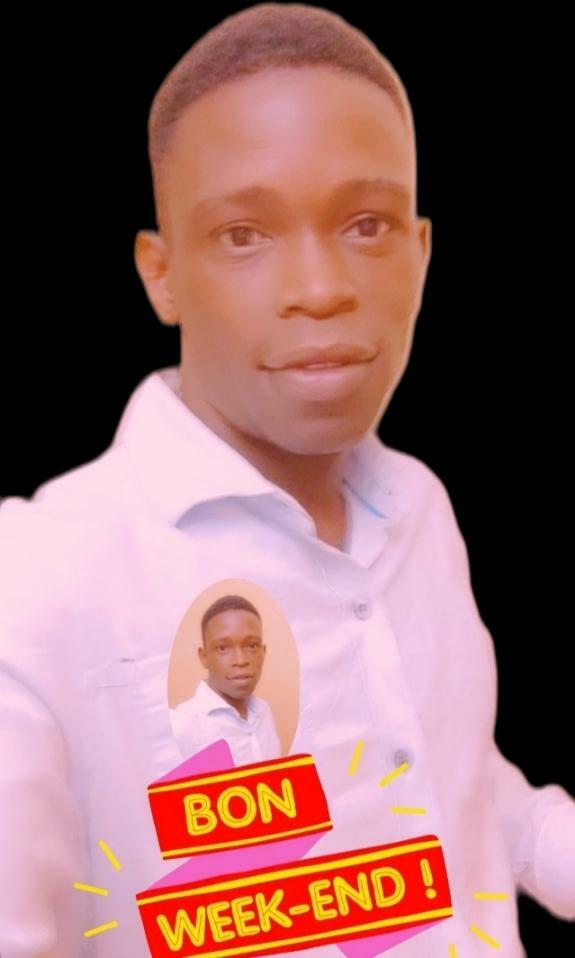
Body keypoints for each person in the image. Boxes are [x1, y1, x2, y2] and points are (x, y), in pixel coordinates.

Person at [0, 4, 573, 957]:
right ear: (161, 275)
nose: (318, 287)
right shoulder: (38, 581)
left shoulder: (418, 509)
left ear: (422, 253)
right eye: (242, 235)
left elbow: (453, 775)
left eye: (366, 224)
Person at [169, 593, 282, 764]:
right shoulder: (182, 726)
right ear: (204, 657)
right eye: (223, 648)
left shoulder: (264, 711)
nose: (241, 660)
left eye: (252, 646)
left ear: (263, 653)